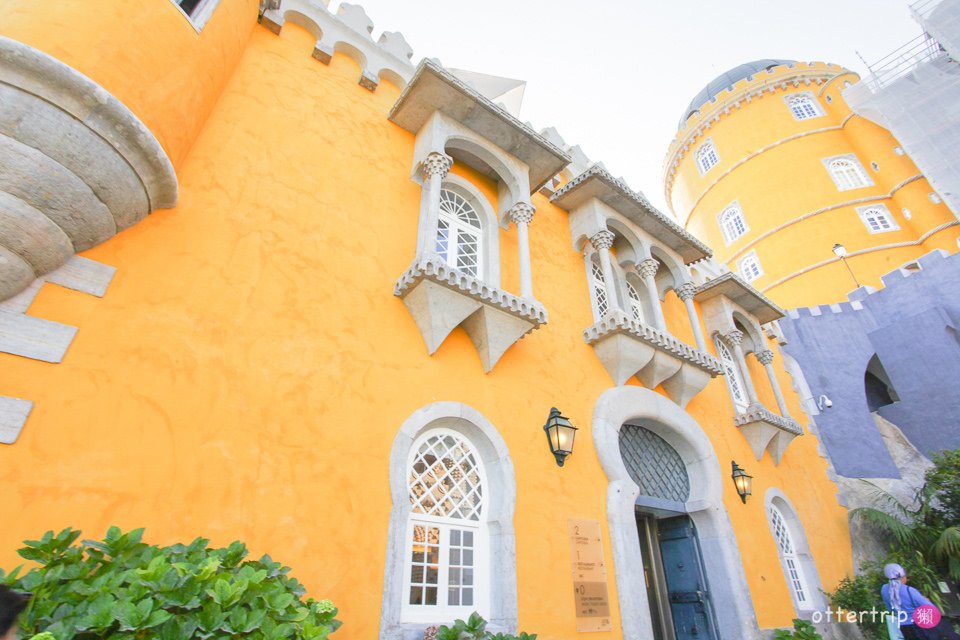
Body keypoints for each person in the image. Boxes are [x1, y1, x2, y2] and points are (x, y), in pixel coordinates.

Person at [882, 563, 960, 640]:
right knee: (947, 629)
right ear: (902, 577)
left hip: (904, 628)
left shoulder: (884, 589)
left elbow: (891, 609)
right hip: (919, 627)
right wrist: (925, 601)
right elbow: (931, 609)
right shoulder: (909, 590)